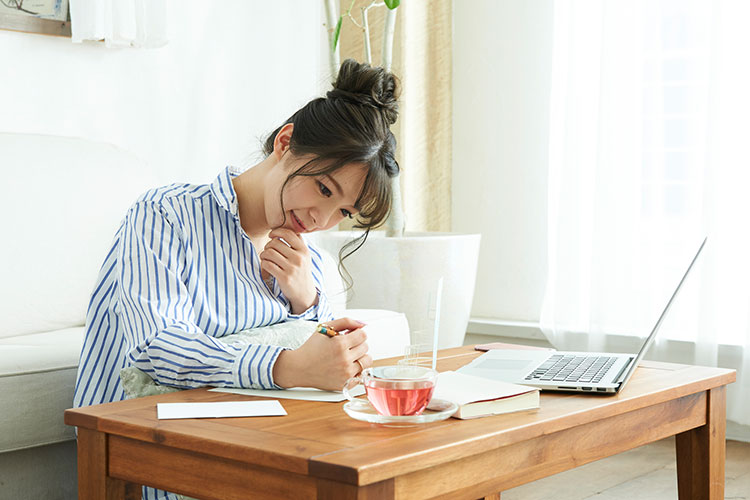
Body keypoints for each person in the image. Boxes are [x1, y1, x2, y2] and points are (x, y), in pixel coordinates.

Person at [73, 57, 400, 495]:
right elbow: (157, 346)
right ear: (286, 142)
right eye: (323, 188)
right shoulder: (165, 215)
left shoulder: (306, 251)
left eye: (342, 211)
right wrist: (285, 366)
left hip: (260, 441)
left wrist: (308, 302)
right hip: (150, 451)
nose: (321, 218)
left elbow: (322, 362)